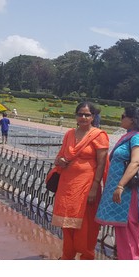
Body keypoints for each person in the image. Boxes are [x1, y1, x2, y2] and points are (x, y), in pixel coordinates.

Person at [95, 106, 139, 260]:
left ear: (132, 120)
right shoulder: (130, 136)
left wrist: (120, 185)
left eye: (123, 116)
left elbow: (136, 162)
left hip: (129, 192)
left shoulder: (137, 138)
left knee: (128, 234)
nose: (120, 118)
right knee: (124, 235)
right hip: (123, 193)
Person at [50, 102, 109, 260]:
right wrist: (60, 160)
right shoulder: (69, 134)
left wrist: (95, 187)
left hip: (87, 185)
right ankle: (67, 255)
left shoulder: (99, 135)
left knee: (85, 224)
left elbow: (102, 163)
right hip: (67, 184)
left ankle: (86, 256)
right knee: (66, 222)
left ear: (93, 117)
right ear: (76, 116)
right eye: (80, 114)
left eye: (87, 114)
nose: (83, 117)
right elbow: (59, 156)